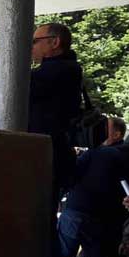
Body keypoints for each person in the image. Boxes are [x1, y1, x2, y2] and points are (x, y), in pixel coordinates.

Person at [29, 22, 83, 202]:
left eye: (35, 41)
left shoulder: (60, 70)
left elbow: (16, 85)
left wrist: (10, 59)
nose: (31, 47)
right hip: (49, 155)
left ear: (55, 42)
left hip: (45, 157)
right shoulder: (67, 68)